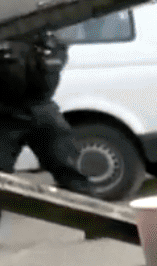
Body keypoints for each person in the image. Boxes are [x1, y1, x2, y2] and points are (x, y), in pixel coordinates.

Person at [0, 29, 95, 197]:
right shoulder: (10, 22)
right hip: (4, 112)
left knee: (70, 170)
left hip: (41, 107)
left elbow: (48, 78)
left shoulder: (47, 37)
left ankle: (92, 213)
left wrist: (46, 52)